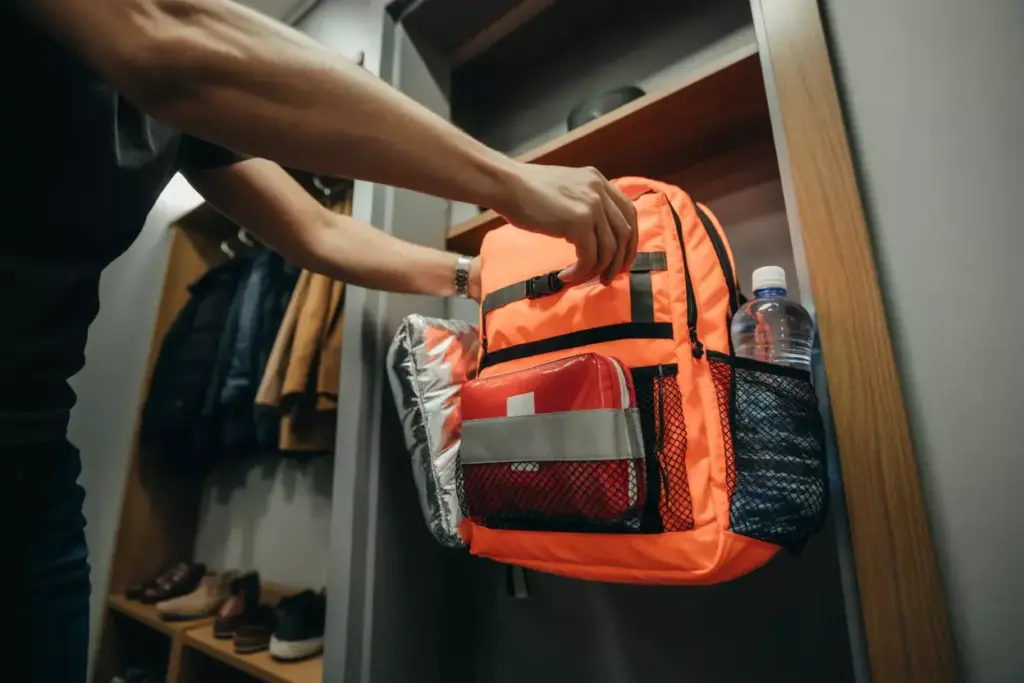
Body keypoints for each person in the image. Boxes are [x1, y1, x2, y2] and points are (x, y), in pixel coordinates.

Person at [5, 0, 639, 680]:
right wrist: (509, 179)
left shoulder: (178, 116)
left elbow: (317, 230)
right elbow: (164, 40)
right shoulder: (152, 36)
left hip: (28, 460)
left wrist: (472, 275)